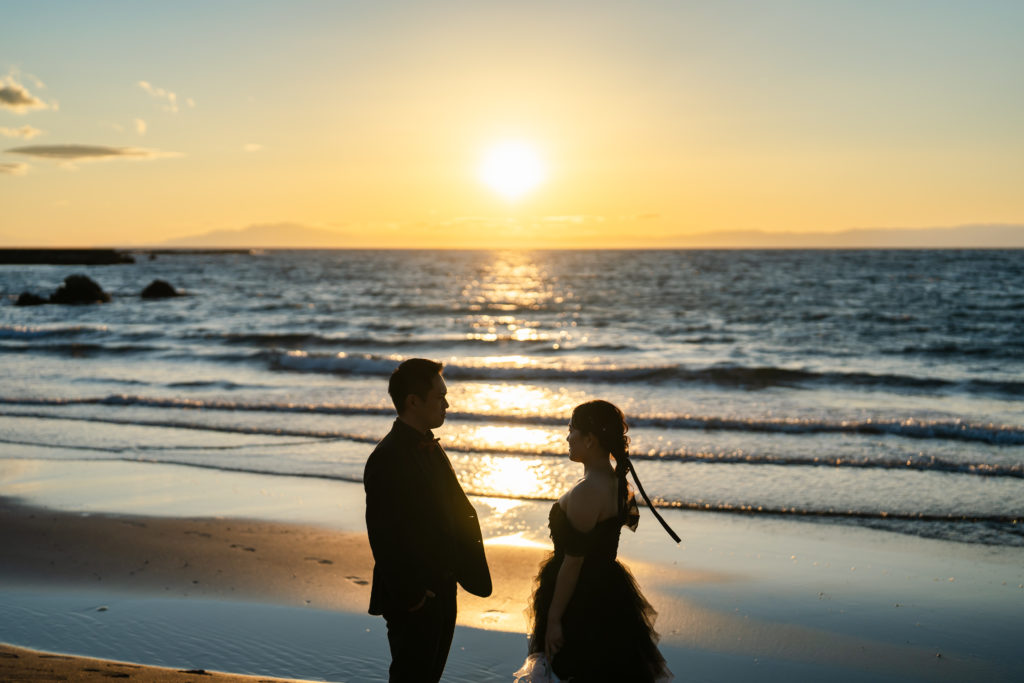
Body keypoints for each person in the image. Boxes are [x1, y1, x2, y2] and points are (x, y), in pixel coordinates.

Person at [518, 400, 677, 683]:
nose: (567, 438)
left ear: (590, 440)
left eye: (571, 430)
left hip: (580, 597)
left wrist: (554, 619)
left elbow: (574, 560)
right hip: (607, 591)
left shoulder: (588, 491)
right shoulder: (615, 483)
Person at [364, 358, 492, 682]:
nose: (447, 404)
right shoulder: (386, 459)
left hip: (443, 587)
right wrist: (413, 597)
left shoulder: (431, 447)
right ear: (413, 401)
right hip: (416, 597)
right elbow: (384, 537)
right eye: (440, 397)